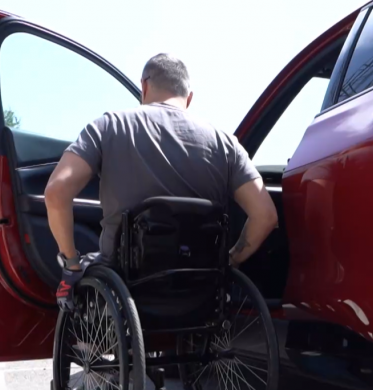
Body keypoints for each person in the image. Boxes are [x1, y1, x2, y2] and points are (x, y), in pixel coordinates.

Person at [45, 53, 278, 311]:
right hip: (199, 283)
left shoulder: (108, 126)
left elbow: (56, 192)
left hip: (126, 280)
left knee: (81, 285)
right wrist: (231, 260)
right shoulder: (225, 144)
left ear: (144, 86)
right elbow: (266, 215)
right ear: (189, 98)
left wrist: (71, 264)